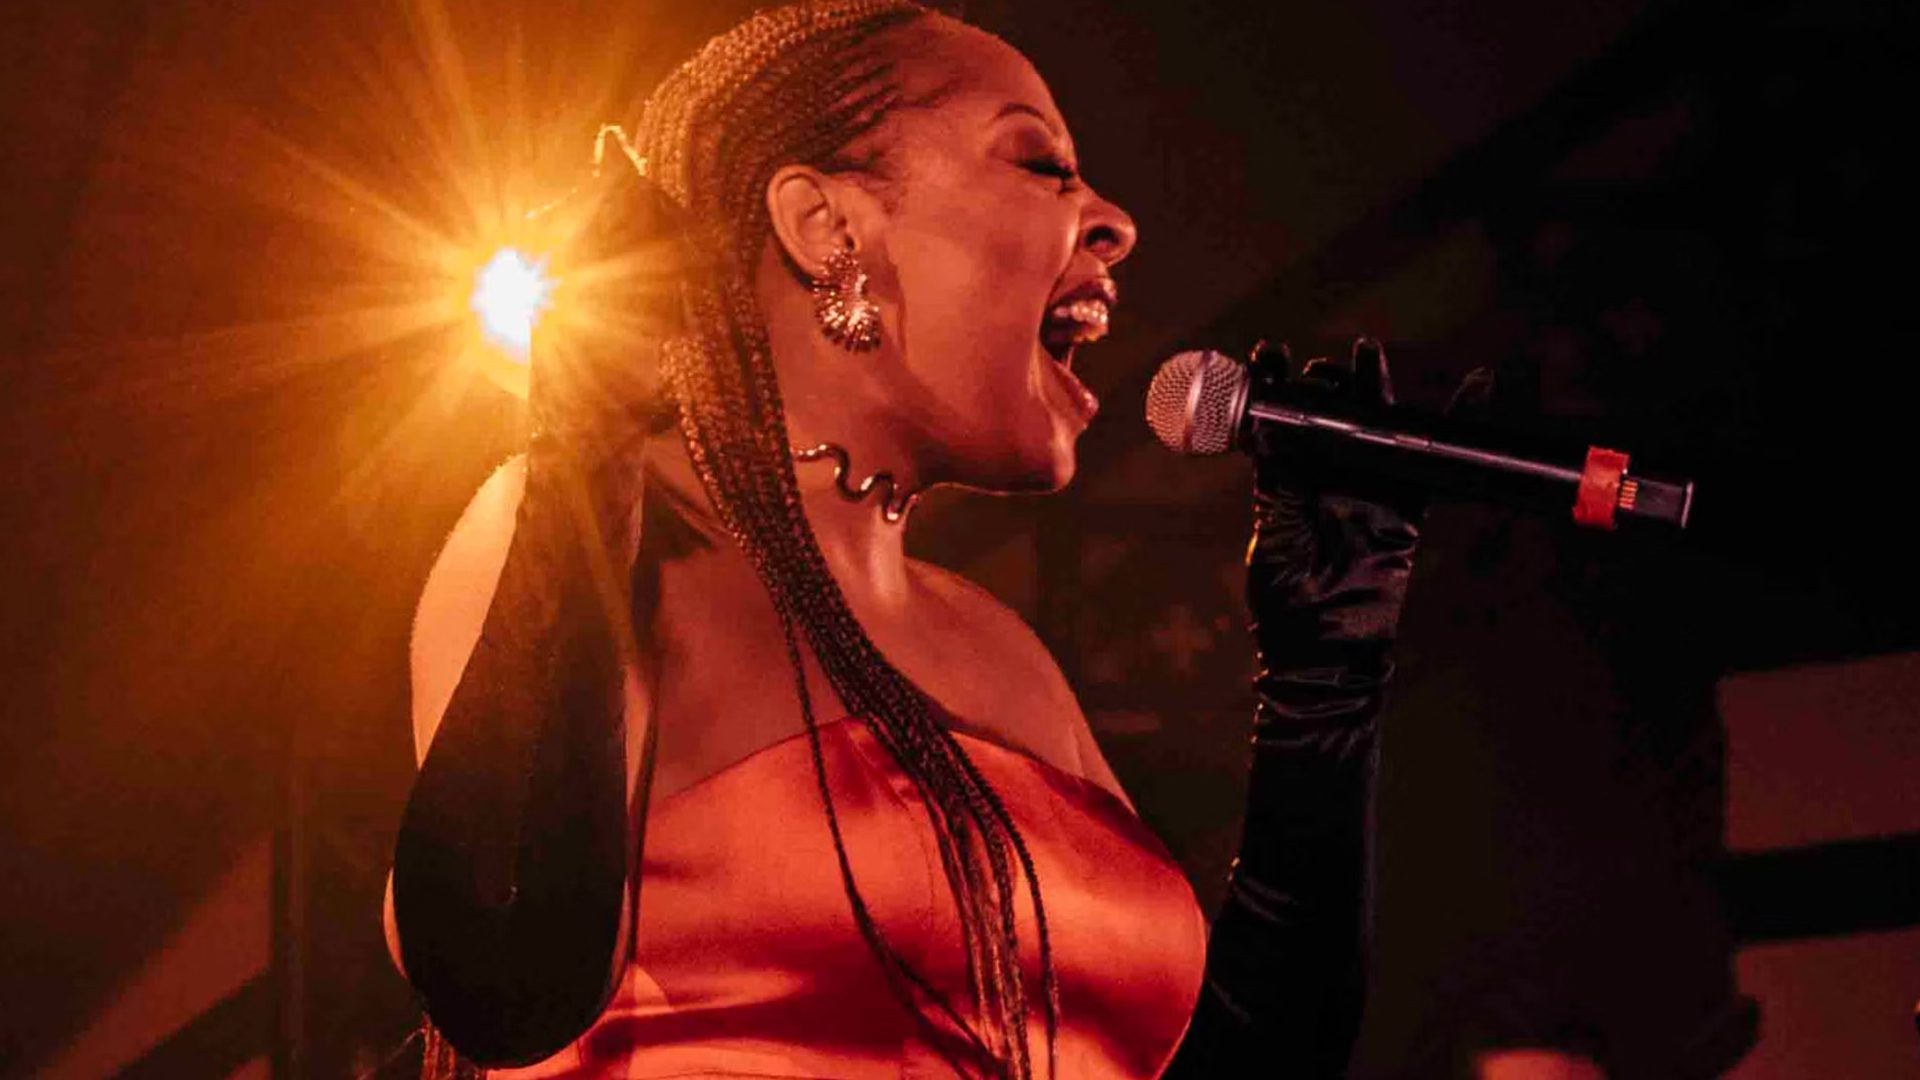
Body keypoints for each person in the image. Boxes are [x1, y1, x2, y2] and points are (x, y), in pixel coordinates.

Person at [386, 3, 1212, 1076]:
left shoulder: (1007, 652)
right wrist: (582, 456)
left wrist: (1322, 710)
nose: (1113, 222)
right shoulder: (606, 533)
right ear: (827, 229)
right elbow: (498, 976)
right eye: (1042, 164)